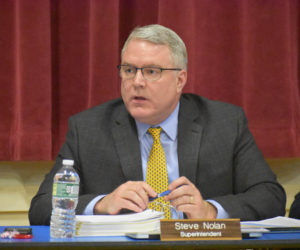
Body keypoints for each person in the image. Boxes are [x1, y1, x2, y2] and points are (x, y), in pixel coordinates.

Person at [29, 24, 286, 225]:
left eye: (151, 71)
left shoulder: (224, 123)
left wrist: (210, 210)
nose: (137, 82)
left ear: (179, 80)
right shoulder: (88, 129)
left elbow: (270, 197)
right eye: (129, 70)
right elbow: (41, 207)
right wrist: (101, 204)